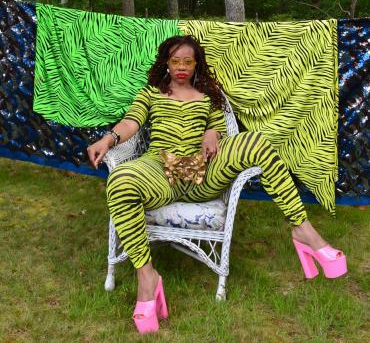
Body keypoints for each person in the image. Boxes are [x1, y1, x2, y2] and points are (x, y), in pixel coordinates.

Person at [87, 35, 347, 334]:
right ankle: (147, 276)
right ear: (166, 64)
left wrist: (213, 133)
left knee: (257, 141)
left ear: (196, 64)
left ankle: (302, 229)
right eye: (175, 61)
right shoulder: (151, 94)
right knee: (120, 180)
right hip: (160, 172)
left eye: (188, 61)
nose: (181, 67)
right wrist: (108, 139)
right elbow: (130, 123)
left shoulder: (208, 97)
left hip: (203, 176)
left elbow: (219, 130)